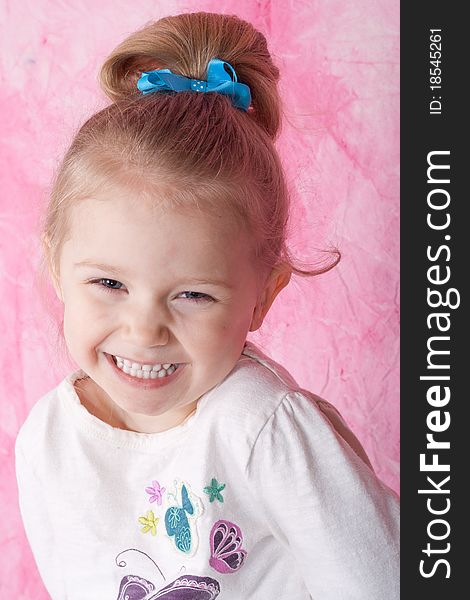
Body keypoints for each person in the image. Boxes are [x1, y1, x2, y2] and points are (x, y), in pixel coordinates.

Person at [15, 11, 399, 600]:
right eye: (109, 284)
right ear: (56, 267)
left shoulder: (260, 430)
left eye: (193, 295)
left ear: (262, 298)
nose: (145, 330)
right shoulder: (47, 439)